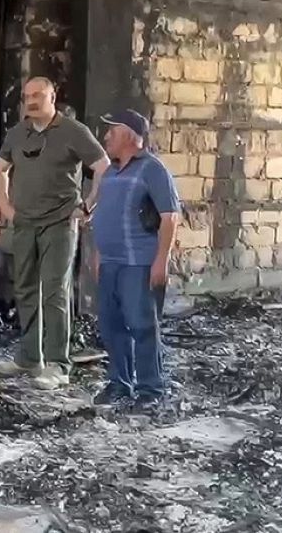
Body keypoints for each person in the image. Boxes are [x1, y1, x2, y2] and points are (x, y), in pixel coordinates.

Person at [0, 77, 110, 390]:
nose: (31, 101)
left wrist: (87, 205)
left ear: (52, 97)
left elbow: (103, 166)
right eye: (27, 96)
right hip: (24, 223)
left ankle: (58, 363)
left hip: (58, 222)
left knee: (55, 290)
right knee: (27, 287)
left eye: (38, 96)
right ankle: (30, 357)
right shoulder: (18, 133)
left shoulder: (73, 131)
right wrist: (4, 204)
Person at [89, 110, 180, 410]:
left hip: (138, 262)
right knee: (112, 326)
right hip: (111, 263)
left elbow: (169, 217)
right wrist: (99, 255)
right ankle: (120, 384)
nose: (105, 138)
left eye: (111, 132)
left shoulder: (152, 170)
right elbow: (105, 215)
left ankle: (151, 390)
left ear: (129, 135)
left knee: (142, 326)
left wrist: (161, 261)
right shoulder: (112, 172)